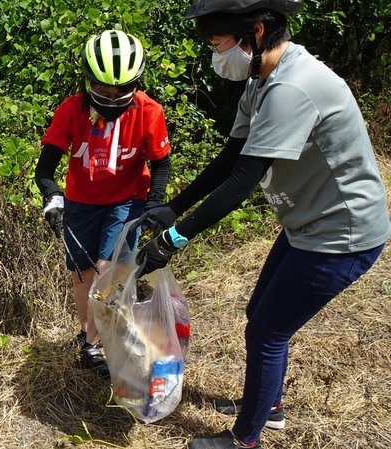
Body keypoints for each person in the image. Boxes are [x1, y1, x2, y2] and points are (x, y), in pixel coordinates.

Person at [135, 1, 390, 447]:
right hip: (308, 226)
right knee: (261, 317)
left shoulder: (293, 88)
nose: (216, 56)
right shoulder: (262, 81)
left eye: (219, 44)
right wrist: (173, 207)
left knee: (267, 331)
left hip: (342, 235)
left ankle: (244, 438)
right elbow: (230, 158)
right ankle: (267, 406)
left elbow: (239, 185)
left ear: (255, 31)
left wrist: (174, 239)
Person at [35, 30, 172, 376]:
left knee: (106, 269)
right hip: (81, 202)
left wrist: (155, 202)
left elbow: (161, 163)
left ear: (137, 83)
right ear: (87, 81)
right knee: (82, 274)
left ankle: (99, 341)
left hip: (127, 199)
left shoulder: (149, 112)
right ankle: (89, 337)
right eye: (103, 92)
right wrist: (53, 198)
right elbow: (45, 170)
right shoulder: (70, 111)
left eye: (122, 92)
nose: (112, 101)